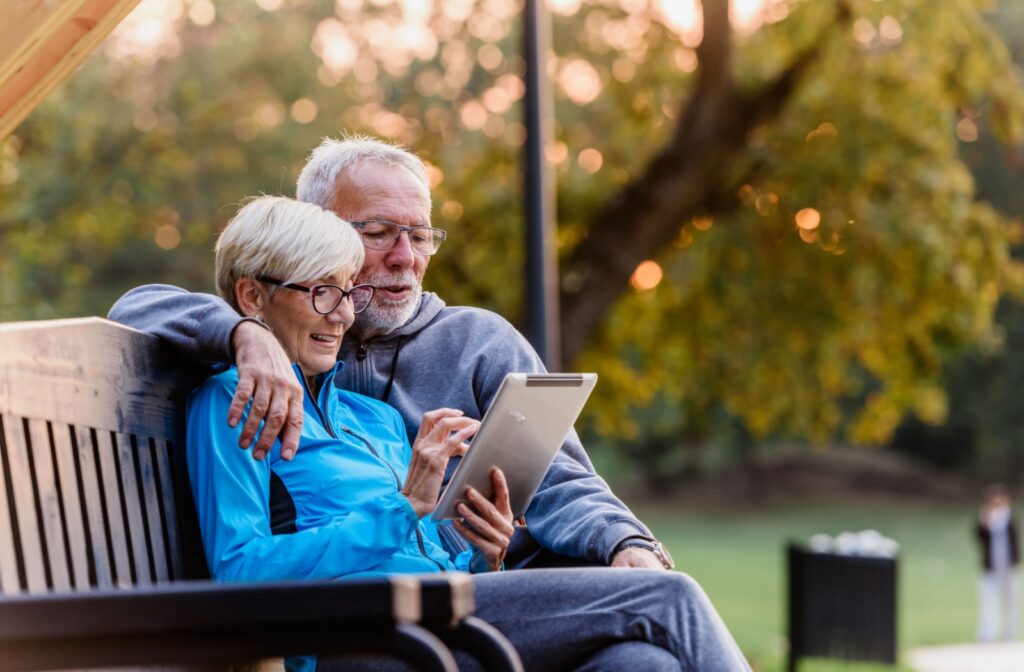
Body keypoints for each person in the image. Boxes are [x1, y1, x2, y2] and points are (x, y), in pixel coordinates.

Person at [189, 195, 751, 672]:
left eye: (346, 293)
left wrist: (484, 556)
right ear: (252, 297)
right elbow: (241, 571)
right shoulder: (230, 402)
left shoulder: (372, 417)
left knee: (638, 664)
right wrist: (404, 505)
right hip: (361, 639)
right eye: (320, 293)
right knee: (667, 597)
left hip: (436, 618)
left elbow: (428, 554)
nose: (340, 316)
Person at [109, 135, 669, 571]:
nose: (405, 257)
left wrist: (624, 544)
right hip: (388, 625)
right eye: (378, 232)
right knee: (655, 619)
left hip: (501, 583)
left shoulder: (476, 343)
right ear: (323, 236)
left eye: (420, 235)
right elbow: (139, 306)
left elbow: (559, 479)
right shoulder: (279, 334)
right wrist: (244, 335)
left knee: (646, 633)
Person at [974, 483, 1020, 642]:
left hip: (1008, 566)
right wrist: (985, 519)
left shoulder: (1009, 517)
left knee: (1010, 600)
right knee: (988, 600)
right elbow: (978, 536)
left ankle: (1010, 632)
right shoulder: (986, 518)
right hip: (991, 566)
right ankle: (988, 632)